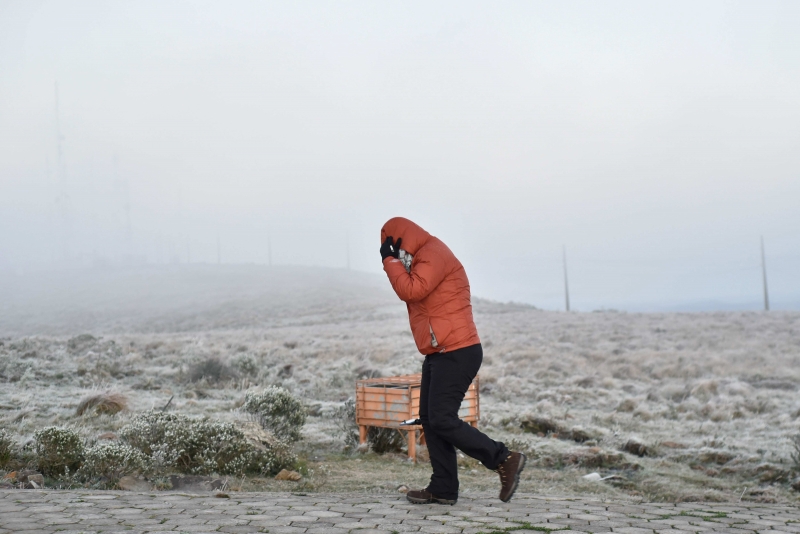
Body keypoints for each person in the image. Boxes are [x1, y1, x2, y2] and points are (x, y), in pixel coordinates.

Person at [379, 216, 526, 504]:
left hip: (458, 351)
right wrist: (396, 262)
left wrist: (390, 262)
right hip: (440, 351)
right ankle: (443, 488)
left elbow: (411, 290)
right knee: (432, 421)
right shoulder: (420, 259)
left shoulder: (433, 253)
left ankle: (504, 458)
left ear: (401, 241)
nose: (395, 255)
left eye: (393, 248)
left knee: (443, 419)